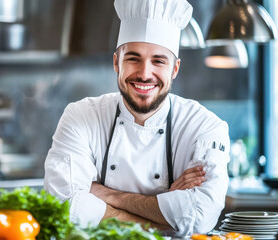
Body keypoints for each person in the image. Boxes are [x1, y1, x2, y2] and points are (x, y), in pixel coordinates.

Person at [44, 0, 230, 237]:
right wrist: (161, 217)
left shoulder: (204, 126)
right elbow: (64, 206)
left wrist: (106, 195)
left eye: (158, 61)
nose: (144, 73)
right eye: (133, 58)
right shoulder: (81, 116)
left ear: (175, 69)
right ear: (116, 63)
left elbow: (199, 220)